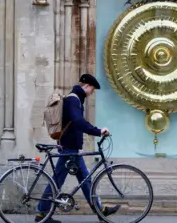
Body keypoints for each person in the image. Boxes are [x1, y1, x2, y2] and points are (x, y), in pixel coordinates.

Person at [36, 74, 121, 223]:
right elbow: (78, 122)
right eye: (92, 90)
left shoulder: (75, 99)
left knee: (85, 179)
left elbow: (74, 127)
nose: (92, 93)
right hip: (69, 149)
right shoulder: (74, 99)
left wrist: (79, 147)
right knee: (58, 180)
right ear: (87, 86)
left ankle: (100, 211)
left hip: (72, 148)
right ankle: (42, 213)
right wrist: (98, 131)